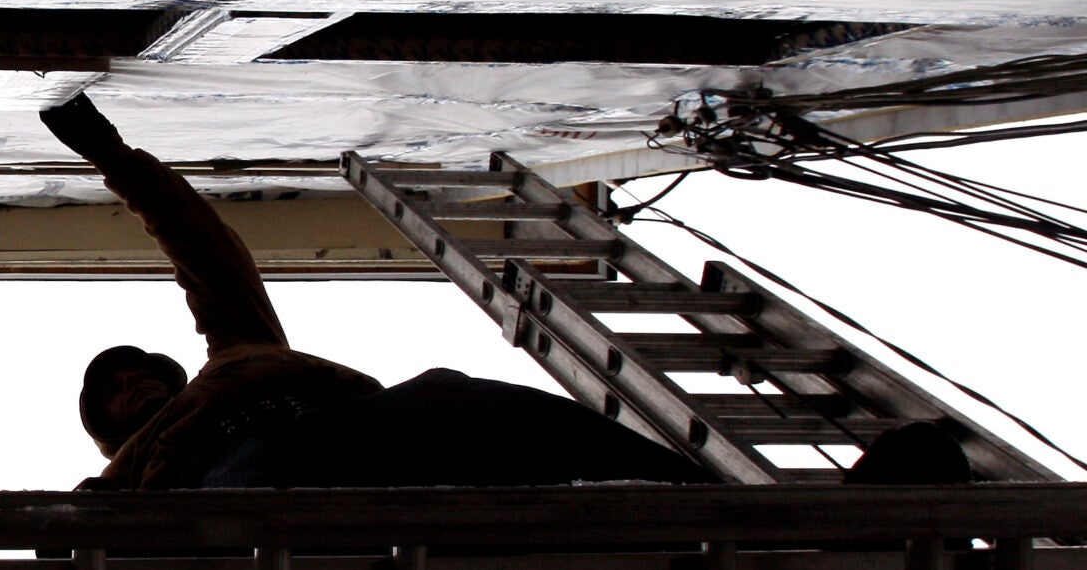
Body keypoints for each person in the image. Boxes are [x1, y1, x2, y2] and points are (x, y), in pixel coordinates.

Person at [40, 93, 707, 495]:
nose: (131, 381)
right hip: (237, 481)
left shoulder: (240, 354)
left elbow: (204, 249)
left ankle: (698, 497)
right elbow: (84, 536)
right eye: (113, 390)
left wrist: (111, 155)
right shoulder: (128, 476)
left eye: (135, 371)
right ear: (109, 430)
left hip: (357, 425)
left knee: (452, 396)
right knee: (272, 522)